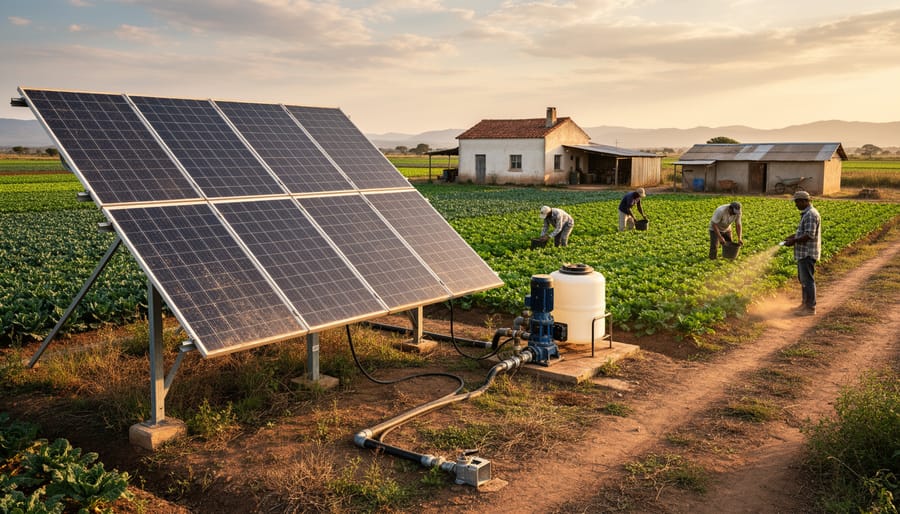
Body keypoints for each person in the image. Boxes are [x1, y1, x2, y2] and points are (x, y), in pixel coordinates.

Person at [783, 191, 821, 316]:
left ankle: (810, 308)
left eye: (797, 202)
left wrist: (794, 241)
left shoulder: (810, 214)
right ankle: (804, 304)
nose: (796, 205)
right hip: (803, 253)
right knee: (804, 280)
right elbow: (804, 232)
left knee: (808, 280)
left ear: (804, 201)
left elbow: (809, 235)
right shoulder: (807, 214)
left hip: (807, 253)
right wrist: (792, 236)